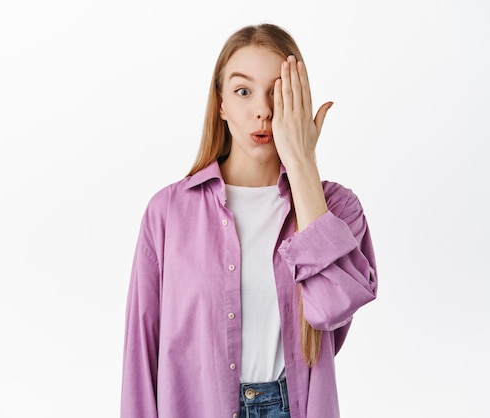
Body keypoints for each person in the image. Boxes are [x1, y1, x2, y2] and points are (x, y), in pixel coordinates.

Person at [120, 23, 378, 418]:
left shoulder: (338, 209)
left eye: (278, 91)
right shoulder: (168, 212)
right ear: (221, 104)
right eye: (243, 91)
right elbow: (141, 355)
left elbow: (331, 308)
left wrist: (303, 163)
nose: (264, 110)